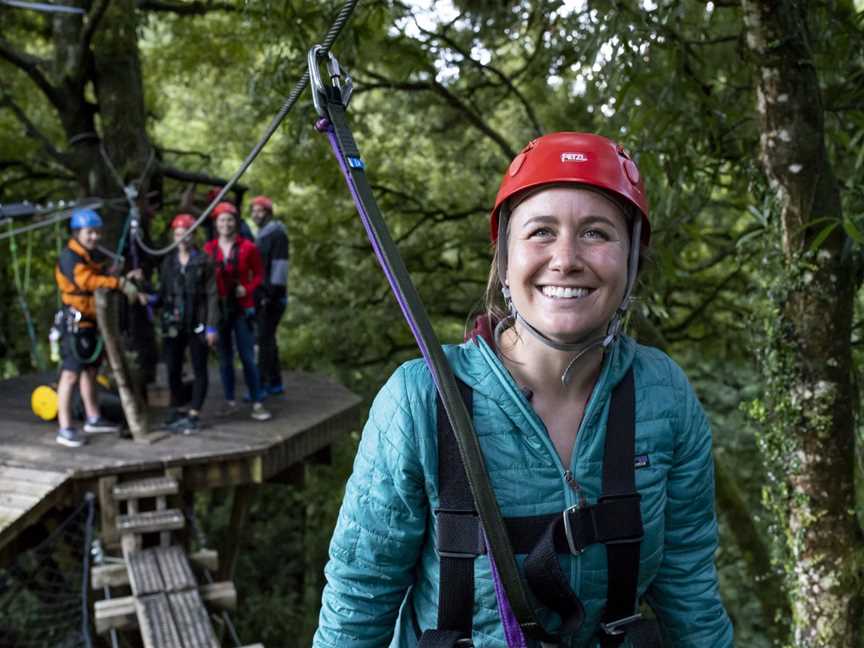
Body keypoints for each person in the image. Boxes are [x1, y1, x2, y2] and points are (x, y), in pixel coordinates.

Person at [314, 133, 733, 647]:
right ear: (504, 262)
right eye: (540, 232)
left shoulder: (661, 395)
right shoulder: (423, 400)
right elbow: (360, 602)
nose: (565, 259)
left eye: (596, 234)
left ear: (631, 262)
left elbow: (690, 591)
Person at [54, 208, 143, 447]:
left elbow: (100, 273)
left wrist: (118, 274)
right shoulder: (70, 257)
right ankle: (65, 427)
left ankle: (93, 417)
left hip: (90, 322)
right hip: (75, 324)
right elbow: (86, 281)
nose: (94, 237)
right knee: (70, 374)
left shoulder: (90, 255)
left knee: (90, 371)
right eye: (89, 232)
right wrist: (117, 283)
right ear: (77, 233)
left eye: (97, 233)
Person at [203, 201, 272, 421]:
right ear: (216, 223)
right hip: (219, 309)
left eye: (230, 219)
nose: (226, 223)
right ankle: (230, 400)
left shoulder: (248, 247)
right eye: (222, 220)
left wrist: (248, 288)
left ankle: (257, 401)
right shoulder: (209, 249)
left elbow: (260, 274)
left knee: (247, 356)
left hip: (242, 308)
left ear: (236, 222)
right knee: (225, 358)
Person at [156, 213, 219, 433]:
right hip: (173, 323)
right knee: (172, 368)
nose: (183, 238)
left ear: (194, 236)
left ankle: (194, 413)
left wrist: (211, 326)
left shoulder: (204, 261)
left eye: (187, 233)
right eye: (179, 234)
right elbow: (163, 292)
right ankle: (175, 408)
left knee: (199, 367)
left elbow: (212, 295)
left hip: (197, 322)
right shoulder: (168, 261)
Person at [249, 195, 289, 395]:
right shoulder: (262, 234)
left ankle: (263, 384)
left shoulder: (277, 234)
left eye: (260, 211)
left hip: (272, 297)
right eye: (254, 211)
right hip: (265, 295)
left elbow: (280, 265)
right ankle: (275, 382)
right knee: (268, 339)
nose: (256, 214)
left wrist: (270, 295)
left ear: (268, 213)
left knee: (263, 339)